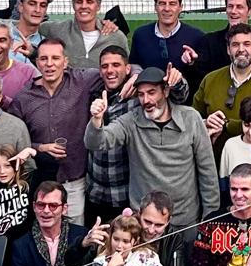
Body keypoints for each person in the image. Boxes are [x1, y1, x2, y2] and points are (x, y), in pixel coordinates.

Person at [86, 64, 219, 228]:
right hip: (144, 222)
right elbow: (96, 143)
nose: (146, 100)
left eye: (151, 92)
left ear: (166, 91)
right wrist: (96, 120)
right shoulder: (130, 121)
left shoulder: (191, 118)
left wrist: (210, 217)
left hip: (184, 219)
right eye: (141, 95)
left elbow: (207, 171)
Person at [14, 37, 106, 224]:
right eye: (44, 59)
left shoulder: (82, 81)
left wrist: (135, 74)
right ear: (36, 62)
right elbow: (15, 141)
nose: (49, 64)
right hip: (39, 181)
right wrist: (40, 148)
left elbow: (115, 71)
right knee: (42, 231)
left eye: (55, 58)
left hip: (73, 179)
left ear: (65, 62)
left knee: (74, 232)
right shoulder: (24, 97)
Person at [4, 180, 105, 266]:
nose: (46, 211)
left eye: (53, 206)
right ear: (34, 207)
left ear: (64, 209)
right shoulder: (21, 245)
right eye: (41, 205)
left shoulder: (82, 236)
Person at [196, 24, 251, 146]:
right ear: (228, 49)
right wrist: (205, 123)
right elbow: (194, 115)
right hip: (215, 158)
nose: (241, 49)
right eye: (235, 45)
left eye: (247, 44)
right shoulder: (210, 79)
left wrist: (228, 125)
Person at [194, 0, 251, 84]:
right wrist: (192, 63)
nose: (233, 11)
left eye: (239, 7)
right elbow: (200, 79)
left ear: (250, 11)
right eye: (230, 6)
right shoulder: (209, 42)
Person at [41, 0, 129, 69]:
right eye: (79, 2)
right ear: (73, 5)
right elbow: (32, 26)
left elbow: (129, 67)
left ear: (98, 6)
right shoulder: (57, 29)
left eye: (89, 2)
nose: (84, 6)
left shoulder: (116, 37)